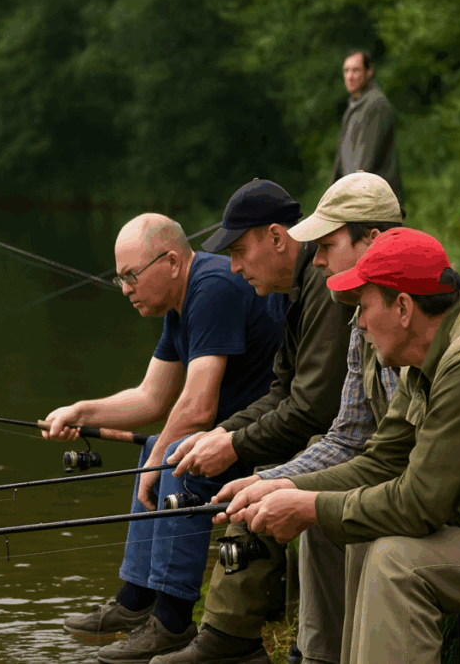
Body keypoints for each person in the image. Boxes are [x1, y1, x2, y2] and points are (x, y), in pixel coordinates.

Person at [226, 228, 460, 664]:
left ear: (404, 308)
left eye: (364, 306)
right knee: (366, 535)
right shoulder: (425, 354)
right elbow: (381, 461)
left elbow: (418, 504)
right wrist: (282, 486)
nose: (357, 323)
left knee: (397, 563)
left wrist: (309, 507)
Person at [43, 212, 285, 663]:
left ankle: (172, 621)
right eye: (120, 278)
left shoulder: (212, 288)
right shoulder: (181, 304)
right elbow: (151, 398)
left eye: (131, 275)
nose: (125, 289)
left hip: (270, 439)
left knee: (173, 455)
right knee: (163, 446)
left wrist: (158, 461)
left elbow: (197, 408)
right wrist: (82, 410)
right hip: (234, 433)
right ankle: (137, 599)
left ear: (172, 262)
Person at [151, 179, 356, 664]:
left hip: (348, 444)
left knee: (264, 476)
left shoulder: (322, 287)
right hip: (331, 435)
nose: (234, 266)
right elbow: (281, 392)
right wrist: (221, 433)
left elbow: (312, 407)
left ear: (277, 238)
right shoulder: (288, 289)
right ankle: (227, 633)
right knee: (247, 468)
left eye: (240, 251)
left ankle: (235, 639)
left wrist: (234, 445)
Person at [207, 171, 403, 664]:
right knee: (306, 493)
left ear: (372, 239)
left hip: (432, 497)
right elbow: (349, 434)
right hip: (393, 474)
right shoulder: (359, 316)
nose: (315, 259)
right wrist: (269, 480)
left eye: (326, 245)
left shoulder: (399, 313)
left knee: (321, 506)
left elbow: (321, 413)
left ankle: (260, 643)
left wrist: (279, 479)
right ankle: (314, 654)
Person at [331, 49, 403, 208]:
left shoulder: (375, 105)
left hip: (373, 203)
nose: (349, 76)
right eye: (346, 71)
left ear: (369, 71)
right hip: (358, 200)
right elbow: (343, 160)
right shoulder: (355, 106)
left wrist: (347, 200)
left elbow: (365, 162)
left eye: (355, 70)